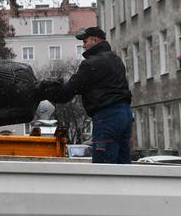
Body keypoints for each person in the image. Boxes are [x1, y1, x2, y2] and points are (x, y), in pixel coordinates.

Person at [43, 27, 132, 164]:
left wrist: (47, 90)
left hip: (107, 116)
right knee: (123, 163)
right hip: (125, 114)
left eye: (85, 42)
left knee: (104, 166)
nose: (83, 46)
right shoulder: (116, 60)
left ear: (95, 40)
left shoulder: (91, 64)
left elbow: (67, 93)